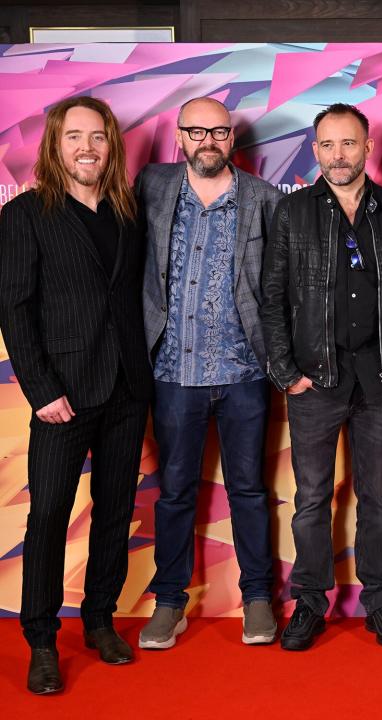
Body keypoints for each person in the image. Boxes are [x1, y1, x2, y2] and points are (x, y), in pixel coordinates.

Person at [0, 96, 152, 694]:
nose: (87, 148)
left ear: (111, 145)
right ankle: (41, 639)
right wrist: (40, 390)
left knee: (116, 511)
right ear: (55, 146)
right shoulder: (26, 214)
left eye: (98, 137)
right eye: (74, 137)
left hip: (126, 389)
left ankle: (99, 621)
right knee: (49, 518)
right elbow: (13, 306)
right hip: (61, 394)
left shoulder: (126, 211)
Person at [261, 103, 382, 650]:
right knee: (310, 499)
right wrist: (286, 372)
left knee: (377, 498)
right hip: (315, 381)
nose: (337, 155)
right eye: (326, 145)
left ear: (369, 147)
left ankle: (379, 601)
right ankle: (308, 602)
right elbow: (271, 298)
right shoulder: (292, 213)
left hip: (380, 380)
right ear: (314, 149)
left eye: (348, 144)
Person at [136, 97, 282, 649]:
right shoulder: (152, 184)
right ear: (179, 137)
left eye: (218, 131)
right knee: (173, 491)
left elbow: (276, 286)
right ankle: (169, 602)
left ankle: (258, 599)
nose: (207, 141)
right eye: (196, 131)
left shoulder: (263, 198)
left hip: (244, 371)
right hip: (173, 371)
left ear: (232, 138)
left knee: (248, 489)